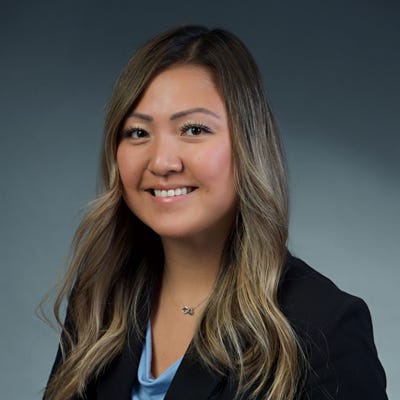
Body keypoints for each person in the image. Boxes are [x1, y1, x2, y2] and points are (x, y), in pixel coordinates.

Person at [43, 25, 387, 400]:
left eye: (193, 129)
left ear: (247, 145)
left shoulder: (325, 327)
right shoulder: (100, 296)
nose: (161, 162)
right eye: (138, 133)